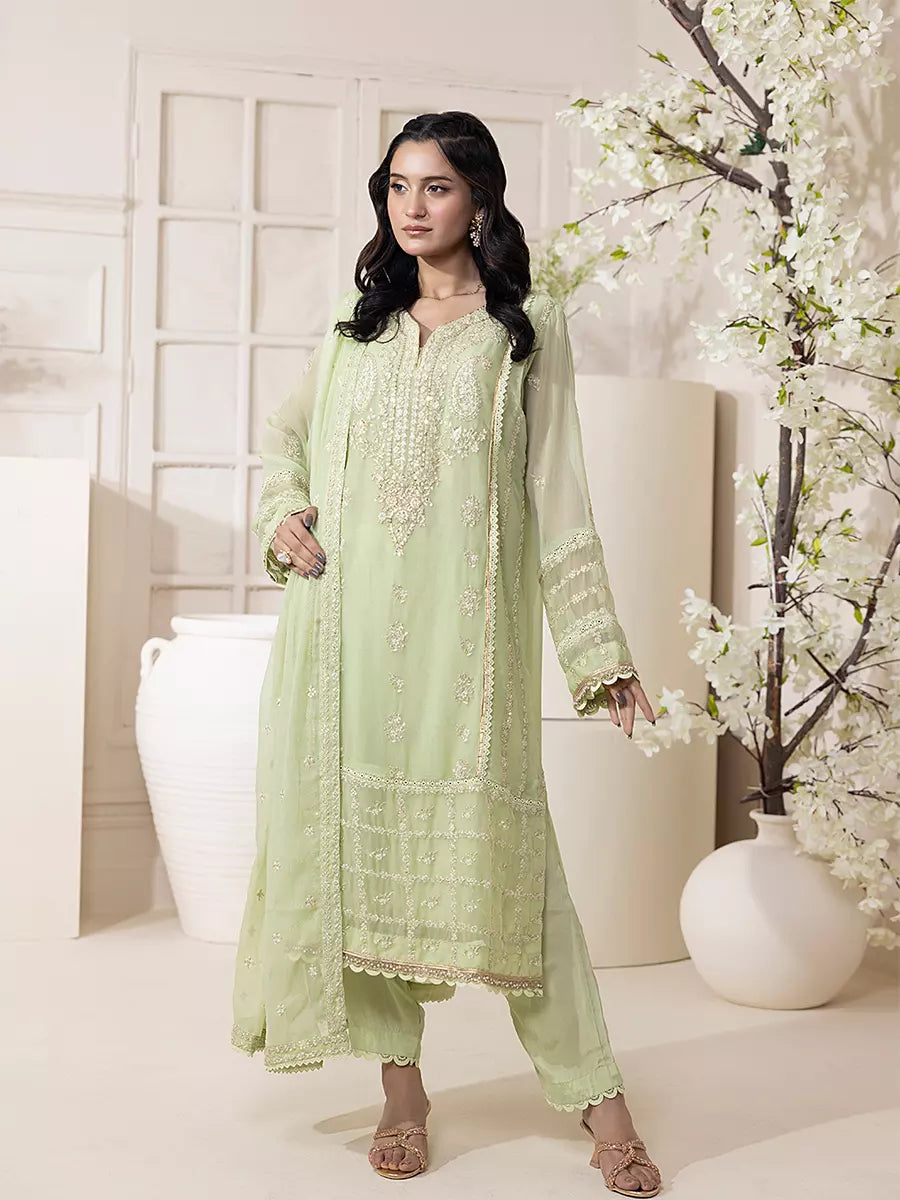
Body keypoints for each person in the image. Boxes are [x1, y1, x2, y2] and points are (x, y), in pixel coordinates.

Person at [231, 111, 662, 1196]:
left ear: (479, 201)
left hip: (469, 657)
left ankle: (601, 1103)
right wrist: (284, 511)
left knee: (520, 879)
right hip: (342, 644)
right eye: (398, 186)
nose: (412, 207)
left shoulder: (526, 330)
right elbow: (283, 439)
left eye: (436, 187)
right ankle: (403, 1095)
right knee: (356, 869)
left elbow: (559, 493)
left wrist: (599, 649)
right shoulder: (356, 329)